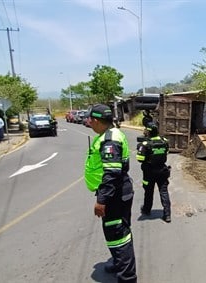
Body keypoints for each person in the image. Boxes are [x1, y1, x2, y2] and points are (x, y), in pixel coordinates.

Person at [84, 104, 137, 282]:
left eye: (90, 119)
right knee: (117, 233)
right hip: (117, 192)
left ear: (97, 120)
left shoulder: (109, 140)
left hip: (115, 194)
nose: (89, 122)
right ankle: (118, 262)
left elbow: (111, 173)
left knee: (119, 235)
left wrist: (101, 200)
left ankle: (127, 277)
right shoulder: (110, 134)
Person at [136, 122, 172, 223]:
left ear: (149, 132)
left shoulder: (145, 144)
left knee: (148, 192)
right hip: (162, 171)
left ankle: (147, 210)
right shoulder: (164, 141)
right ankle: (167, 215)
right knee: (164, 192)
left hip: (149, 172)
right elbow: (167, 152)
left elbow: (140, 158)